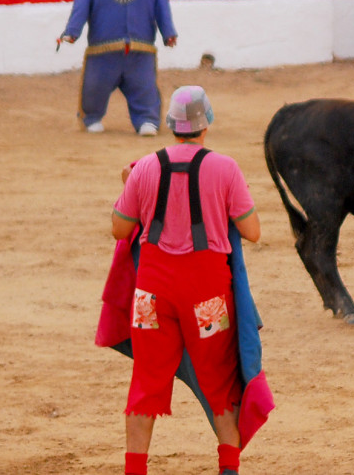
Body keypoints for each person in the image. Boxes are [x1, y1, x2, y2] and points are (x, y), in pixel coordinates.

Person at [110, 86, 261, 475]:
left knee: (145, 385)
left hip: (152, 295)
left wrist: (128, 184)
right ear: (206, 124)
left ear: (171, 125)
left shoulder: (145, 167)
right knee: (221, 387)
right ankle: (228, 471)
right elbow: (252, 231)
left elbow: (119, 228)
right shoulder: (225, 168)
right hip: (205, 295)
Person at [60, 0, 178, 136]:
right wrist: (72, 32)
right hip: (102, 54)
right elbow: (80, 10)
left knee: (144, 87)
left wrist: (169, 34)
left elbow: (163, 11)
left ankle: (147, 120)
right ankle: (92, 118)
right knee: (95, 88)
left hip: (141, 53)